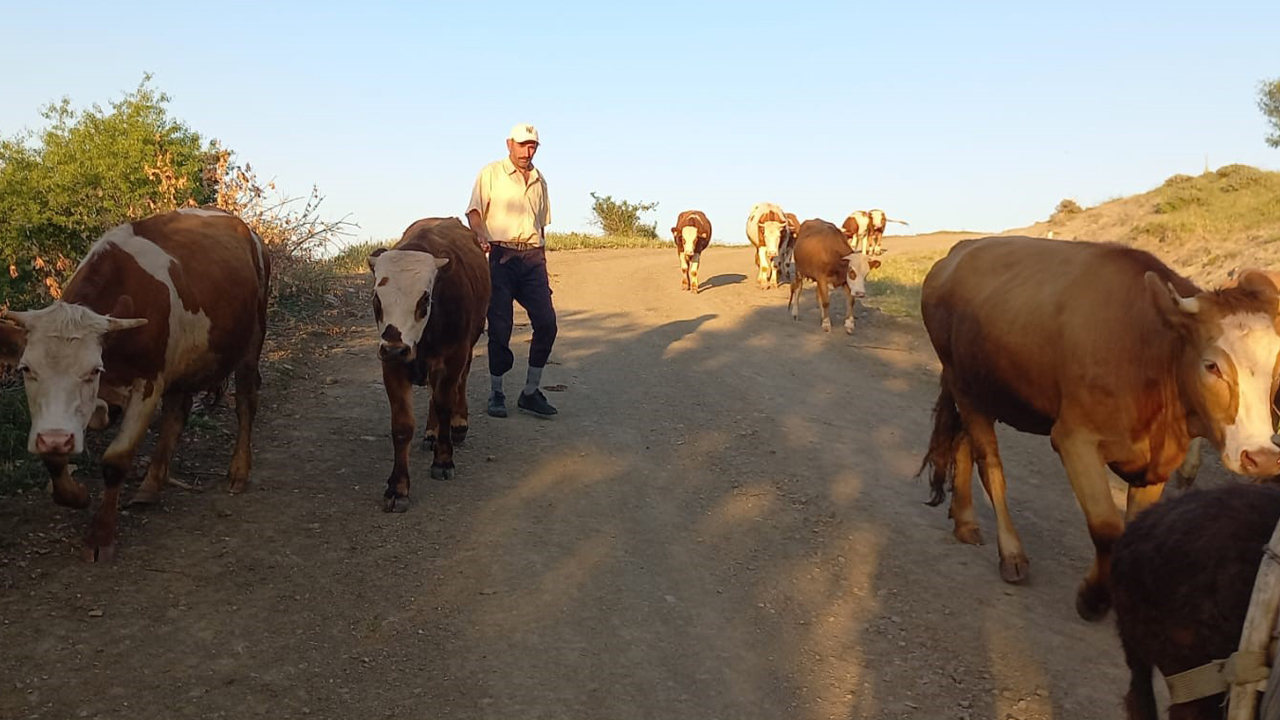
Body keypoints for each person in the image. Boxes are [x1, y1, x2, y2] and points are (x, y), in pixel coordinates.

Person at [466, 123, 559, 419]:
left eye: (532, 146)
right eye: (522, 145)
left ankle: (531, 392)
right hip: (500, 255)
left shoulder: (539, 179)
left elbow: (541, 223)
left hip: (532, 257)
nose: (527, 151)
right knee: (500, 326)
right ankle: (497, 392)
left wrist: (542, 259)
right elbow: (474, 211)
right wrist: (480, 235)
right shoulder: (491, 173)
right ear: (509, 144)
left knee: (547, 323)